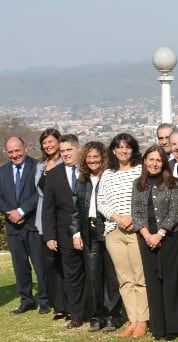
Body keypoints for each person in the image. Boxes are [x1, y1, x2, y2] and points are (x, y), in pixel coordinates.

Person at [133, 146, 178, 341]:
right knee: (153, 282)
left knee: (170, 282)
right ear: (145, 161)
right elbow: (136, 212)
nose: (154, 164)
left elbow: (175, 211)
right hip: (146, 238)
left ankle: (172, 326)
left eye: (158, 160)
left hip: (169, 237)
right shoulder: (138, 184)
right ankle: (158, 327)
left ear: (163, 163)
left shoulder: (172, 183)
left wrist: (160, 234)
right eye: (151, 159)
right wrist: (147, 235)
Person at [97, 133, 148, 337]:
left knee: (139, 276)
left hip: (136, 229)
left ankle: (143, 320)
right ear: (113, 150)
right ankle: (133, 320)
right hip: (114, 230)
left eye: (127, 147)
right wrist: (117, 218)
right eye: (119, 147)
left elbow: (146, 198)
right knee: (124, 278)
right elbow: (101, 202)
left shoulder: (140, 170)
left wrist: (133, 218)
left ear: (133, 150)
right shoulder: (107, 174)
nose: (123, 150)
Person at [0, 136, 49, 314]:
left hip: (33, 224)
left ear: (25, 147)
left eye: (17, 150)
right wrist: (10, 213)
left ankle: (45, 300)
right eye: (10, 152)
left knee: (40, 265)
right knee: (20, 266)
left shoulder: (37, 167)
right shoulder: (2, 171)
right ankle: (26, 300)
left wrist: (22, 211)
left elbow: (40, 193)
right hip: (13, 227)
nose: (14, 155)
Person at [40, 134, 88, 329]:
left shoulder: (90, 169)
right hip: (64, 233)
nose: (66, 154)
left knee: (93, 273)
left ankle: (96, 311)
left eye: (69, 150)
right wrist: (49, 236)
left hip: (91, 231)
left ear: (78, 149)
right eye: (62, 151)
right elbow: (48, 209)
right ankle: (76, 314)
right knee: (71, 275)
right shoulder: (53, 175)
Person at [73, 141, 121, 331]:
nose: (93, 160)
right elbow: (75, 210)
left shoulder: (110, 177)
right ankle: (96, 315)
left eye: (96, 157)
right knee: (93, 276)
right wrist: (76, 233)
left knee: (111, 275)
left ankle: (112, 315)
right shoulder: (81, 181)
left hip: (107, 228)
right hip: (88, 231)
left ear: (103, 158)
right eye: (89, 157)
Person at [36, 128, 65, 317]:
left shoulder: (66, 162)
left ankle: (70, 303)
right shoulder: (40, 165)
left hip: (62, 219)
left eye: (51, 141)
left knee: (66, 264)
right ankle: (58, 305)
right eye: (44, 142)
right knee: (50, 265)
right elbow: (39, 190)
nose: (48, 145)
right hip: (44, 219)